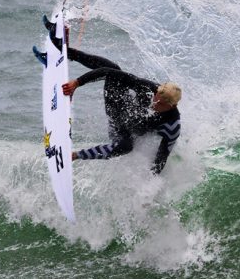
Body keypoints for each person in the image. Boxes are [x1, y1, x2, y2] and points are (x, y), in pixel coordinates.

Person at [38, 15, 181, 174]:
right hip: (118, 103)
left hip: (120, 128)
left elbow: (162, 157)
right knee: (114, 69)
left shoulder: (172, 125)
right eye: (156, 98)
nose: (155, 103)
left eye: (160, 104)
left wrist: (151, 186)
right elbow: (108, 73)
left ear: (172, 106)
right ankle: (63, 50)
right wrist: (77, 83)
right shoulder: (150, 88)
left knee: (126, 146)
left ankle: (75, 155)